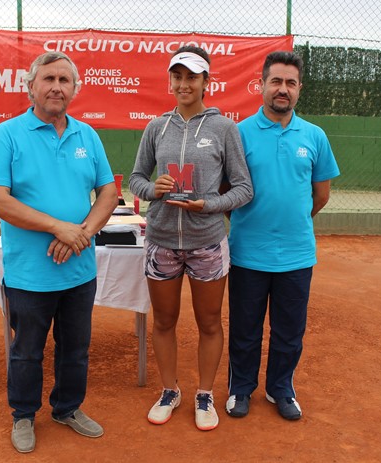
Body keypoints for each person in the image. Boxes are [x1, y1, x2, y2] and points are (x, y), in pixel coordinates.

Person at [0, 51, 118, 453]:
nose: (57, 86)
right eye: (48, 79)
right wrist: (58, 226)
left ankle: (67, 408)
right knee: (26, 351)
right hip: (29, 274)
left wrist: (82, 233)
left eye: (65, 80)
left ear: (74, 89)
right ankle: (23, 415)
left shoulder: (86, 135)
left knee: (76, 348)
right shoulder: (7, 135)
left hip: (79, 271)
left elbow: (108, 192)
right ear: (31, 86)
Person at [129, 45, 253, 431]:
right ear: (170, 80)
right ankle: (170, 390)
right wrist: (154, 190)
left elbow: (244, 189)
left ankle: (204, 395)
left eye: (192, 77)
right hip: (162, 241)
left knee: (210, 323)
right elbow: (135, 179)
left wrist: (209, 205)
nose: (184, 84)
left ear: (206, 82)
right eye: (177, 76)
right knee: (164, 322)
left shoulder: (224, 129)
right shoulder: (156, 127)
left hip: (207, 242)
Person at [225, 51, 340, 421]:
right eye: (276, 81)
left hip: (296, 254)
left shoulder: (315, 136)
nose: (282, 89)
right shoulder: (238, 133)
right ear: (261, 85)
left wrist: (292, 221)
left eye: (290, 83)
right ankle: (240, 389)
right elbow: (228, 191)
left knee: (289, 331)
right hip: (247, 252)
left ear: (299, 89)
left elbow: (320, 194)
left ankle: (280, 388)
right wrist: (254, 220)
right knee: (245, 329)